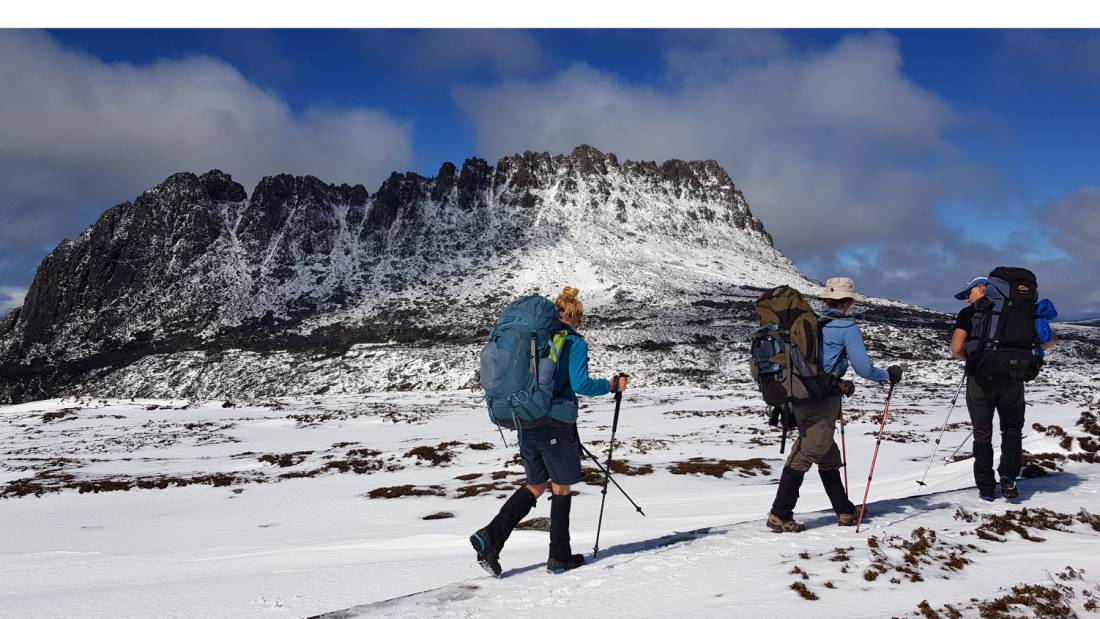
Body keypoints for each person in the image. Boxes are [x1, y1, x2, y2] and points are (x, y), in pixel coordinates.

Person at [471, 287, 628, 575]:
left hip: (525, 419)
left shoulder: (536, 339)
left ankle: (490, 538)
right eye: (580, 320)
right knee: (561, 486)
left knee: (535, 484)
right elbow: (580, 385)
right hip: (555, 422)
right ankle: (559, 557)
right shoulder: (573, 342)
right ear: (576, 317)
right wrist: (610, 385)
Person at [768, 277, 903, 532]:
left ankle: (844, 511)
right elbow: (863, 368)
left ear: (827, 299)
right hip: (823, 398)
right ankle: (779, 513)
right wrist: (887, 375)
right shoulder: (847, 327)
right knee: (806, 453)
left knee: (828, 454)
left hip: (799, 395)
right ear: (849, 302)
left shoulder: (813, 323)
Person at [950, 275, 1057, 501]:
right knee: (1011, 429)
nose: (967, 300)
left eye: (968, 294)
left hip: (981, 379)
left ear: (982, 288)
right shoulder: (1021, 311)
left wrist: (970, 358)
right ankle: (1009, 477)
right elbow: (1049, 341)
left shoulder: (970, 314)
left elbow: (956, 347)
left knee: (982, 433)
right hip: (1013, 378)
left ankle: (986, 487)